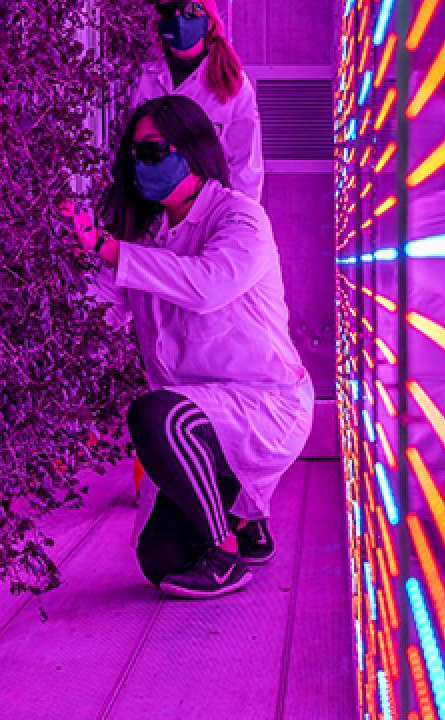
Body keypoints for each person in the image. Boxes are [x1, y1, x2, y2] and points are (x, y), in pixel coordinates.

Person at [61, 95, 312, 599]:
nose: (141, 165)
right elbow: (102, 308)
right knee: (161, 561)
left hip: (263, 402)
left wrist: (109, 249)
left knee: (155, 414)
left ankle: (225, 553)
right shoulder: (149, 235)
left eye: (153, 151)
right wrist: (68, 261)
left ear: (192, 149)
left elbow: (207, 286)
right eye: (134, 154)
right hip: (197, 418)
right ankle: (246, 517)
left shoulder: (240, 219)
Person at [129, 0, 265, 202]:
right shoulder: (145, 75)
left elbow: (245, 165)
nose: (178, 19)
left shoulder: (233, 84)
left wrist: (238, 220)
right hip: (146, 202)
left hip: (203, 207)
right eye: (169, 11)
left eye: (191, 10)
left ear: (210, 21)